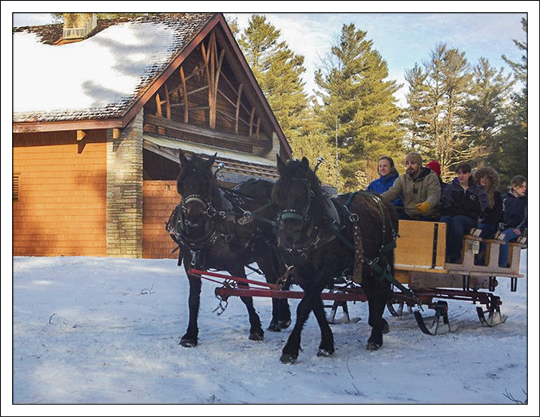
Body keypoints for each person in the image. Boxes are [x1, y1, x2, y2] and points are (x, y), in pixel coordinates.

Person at [439, 163, 489, 263]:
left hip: (469, 220)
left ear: (470, 174)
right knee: (444, 221)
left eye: (464, 173)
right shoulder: (450, 188)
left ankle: (455, 255)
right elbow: (446, 204)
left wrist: (464, 208)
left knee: (458, 221)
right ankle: (441, 253)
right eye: (459, 173)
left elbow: (481, 207)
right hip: (452, 216)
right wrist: (463, 208)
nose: (461, 176)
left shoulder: (477, 190)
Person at [381, 152, 441, 221]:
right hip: (408, 214)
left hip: (427, 215)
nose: (409, 166)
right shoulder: (402, 179)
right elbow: (392, 193)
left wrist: (427, 204)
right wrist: (377, 199)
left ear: (419, 165)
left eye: (412, 163)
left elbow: (434, 195)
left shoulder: (431, 177)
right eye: (407, 163)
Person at [498, 175, 527, 268]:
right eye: (522, 187)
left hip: (517, 229)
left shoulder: (526, 201)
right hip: (503, 226)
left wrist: (520, 228)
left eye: (525, 186)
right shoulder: (505, 198)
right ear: (515, 187)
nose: (524, 189)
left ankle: (502, 265)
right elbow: (499, 214)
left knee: (504, 237)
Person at [473, 167, 503, 239]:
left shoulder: (496, 195)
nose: (484, 179)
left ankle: (474, 249)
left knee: (479, 231)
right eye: (482, 177)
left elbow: (497, 213)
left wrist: (483, 220)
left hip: (488, 224)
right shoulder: (473, 192)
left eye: (487, 178)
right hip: (473, 221)